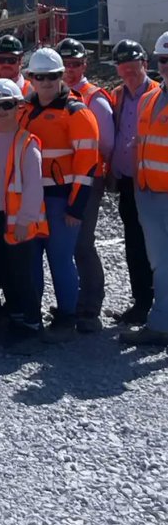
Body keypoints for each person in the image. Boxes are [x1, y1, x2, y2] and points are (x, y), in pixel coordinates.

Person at [18, 48, 100, 341]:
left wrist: (76, 208)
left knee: (61, 259)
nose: (47, 82)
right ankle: (32, 316)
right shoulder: (24, 109)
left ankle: (67, 317)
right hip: (33, 199)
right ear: (31, 79)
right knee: (32, 259)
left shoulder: (77, 112)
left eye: (52, 76)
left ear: (61, 76)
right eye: (40, 77)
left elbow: (87, 163)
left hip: (61, 199)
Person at [0, 79, 47, 351]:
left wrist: (25, 221)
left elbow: (33, 186)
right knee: (2, 271)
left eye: (7, 105)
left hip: (17, 222)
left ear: (19, 107)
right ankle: (15, 319)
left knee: (22, 275)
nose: (1, 110)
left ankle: (30, 324)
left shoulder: (27, 144)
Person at [57, 38, 114, 333]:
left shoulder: (94, 99)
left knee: (82, 243)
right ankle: (75, 301)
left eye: (75, 64)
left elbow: (105, 144)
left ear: (85, 65)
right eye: (64, 64)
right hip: (63, 180)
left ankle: (91, 306)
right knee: (65, 244)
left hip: (89, 179)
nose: (70, 70)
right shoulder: (52, 97)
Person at [122, 30, 168, 347]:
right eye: (164, 59)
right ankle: (161, 322)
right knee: (160, 263)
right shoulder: (149, 99)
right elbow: (141, 144)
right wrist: (139, 186)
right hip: (150, 195)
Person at [109, 39, 157, 325]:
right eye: (123, 65)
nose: (128, 70)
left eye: (133, 64)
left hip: (154, 183)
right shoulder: (117, 95)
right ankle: (141, 302)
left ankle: (158, 305)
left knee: (157, 246)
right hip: (128, 181)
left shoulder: (159, 94)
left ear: (145, 64)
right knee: (134, 244)